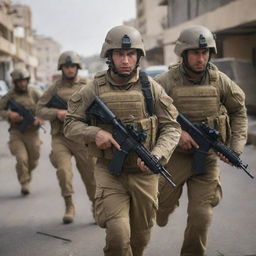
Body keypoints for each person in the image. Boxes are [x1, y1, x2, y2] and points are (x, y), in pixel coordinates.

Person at [63, 25, 181, 256]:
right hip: (110, 172)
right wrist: (94, 133)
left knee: (140, 237)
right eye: (120, 54)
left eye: (131, 54)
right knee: (118, 235)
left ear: (138, 56)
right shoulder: (94, 88)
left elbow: (172, 127)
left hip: (145, 175)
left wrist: (157, 155)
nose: (125, 60)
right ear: (110, 56)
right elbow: (70, 124)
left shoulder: (151, 88)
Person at [154, 25, 248, 256]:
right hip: (174, 158)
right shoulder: (165, 82)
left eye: (205, 53)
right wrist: (176, 137)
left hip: (206, 158)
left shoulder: (220, 81)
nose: (201, 58)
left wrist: (234, 149)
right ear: (184, 53)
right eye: (195, 52)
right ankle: (164, 209)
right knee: (159, 209)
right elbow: (149, 115)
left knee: (201, 215)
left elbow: (238, 112)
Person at [36, 51, 96, 224]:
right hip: (60, 137)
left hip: (82, 138)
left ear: (77, 68)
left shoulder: (88, 85)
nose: (70, 70)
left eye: (72, 66)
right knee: (63, 171)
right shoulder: (54, 88)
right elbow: (39, 109)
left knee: (91, 175)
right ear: (61, 68)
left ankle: (95, 205)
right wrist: (57, 113)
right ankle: (69, 205)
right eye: (66, 67)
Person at [0, 68, 43, 195]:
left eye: (24, 81)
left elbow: (45, 106)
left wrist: (40, 118)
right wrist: (9, 114)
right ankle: (25, 183)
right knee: (21, 158)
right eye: (19, 81)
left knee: (33, 160)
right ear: (14, 82)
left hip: (32, 132)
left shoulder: (34, 93)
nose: (22, 83)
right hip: (16, 132)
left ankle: (26, 173)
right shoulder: (9, 96)